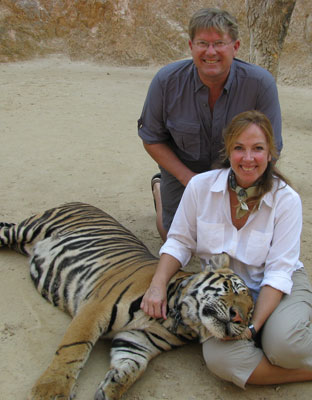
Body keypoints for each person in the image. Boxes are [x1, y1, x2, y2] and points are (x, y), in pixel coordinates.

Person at [140, 110, 312, 388]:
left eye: (258, 149)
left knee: (283, 347)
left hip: (278, 287)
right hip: (226, 293)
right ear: (228, 151)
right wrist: (157, 285)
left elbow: (280, 272)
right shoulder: (201, 187)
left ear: (270, 154)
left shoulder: (286, 200)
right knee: (221, 360)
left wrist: (253, 327)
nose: (248, 158)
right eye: (239, 148)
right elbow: (180, 241)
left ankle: (285, 328)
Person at [138, 8, 283, 241]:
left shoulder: (260, 84)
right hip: (183, 172)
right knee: (176, 237)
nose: (211, 52)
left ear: (235, 47)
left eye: (219, 43)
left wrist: (235, 186)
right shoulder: (165, 81)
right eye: (203, 43)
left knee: (244, 236)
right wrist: (189, 180)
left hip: (239, 171)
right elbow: (152, 138)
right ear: (191, 46)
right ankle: (161, 191)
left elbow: (271, 148)